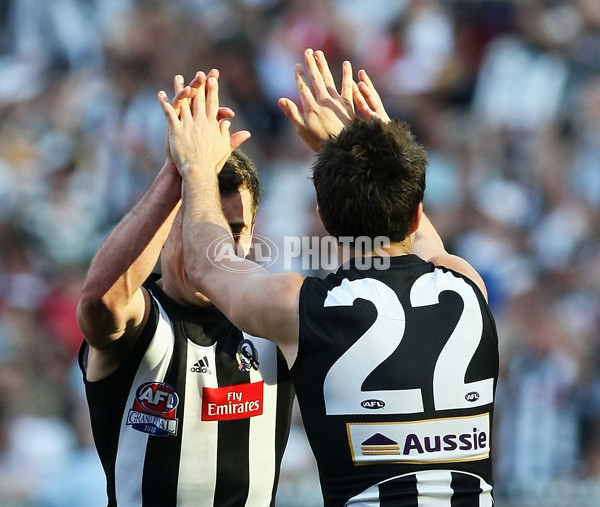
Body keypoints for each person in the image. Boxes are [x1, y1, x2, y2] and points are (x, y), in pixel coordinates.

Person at [160, 48, 499, 506]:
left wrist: (197, 166)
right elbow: (421, 235)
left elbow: (205, 262)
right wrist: (360, 149)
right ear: (418, 210)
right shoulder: (467, 285)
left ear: (322, 217)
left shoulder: (301, 307)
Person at [76, 70, 293, 507]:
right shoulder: (145, 321)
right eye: (197, 229)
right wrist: (182, 174)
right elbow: (100, 303)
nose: (215, 248)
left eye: (235, 230)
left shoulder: (277, 319)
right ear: (164, 230)